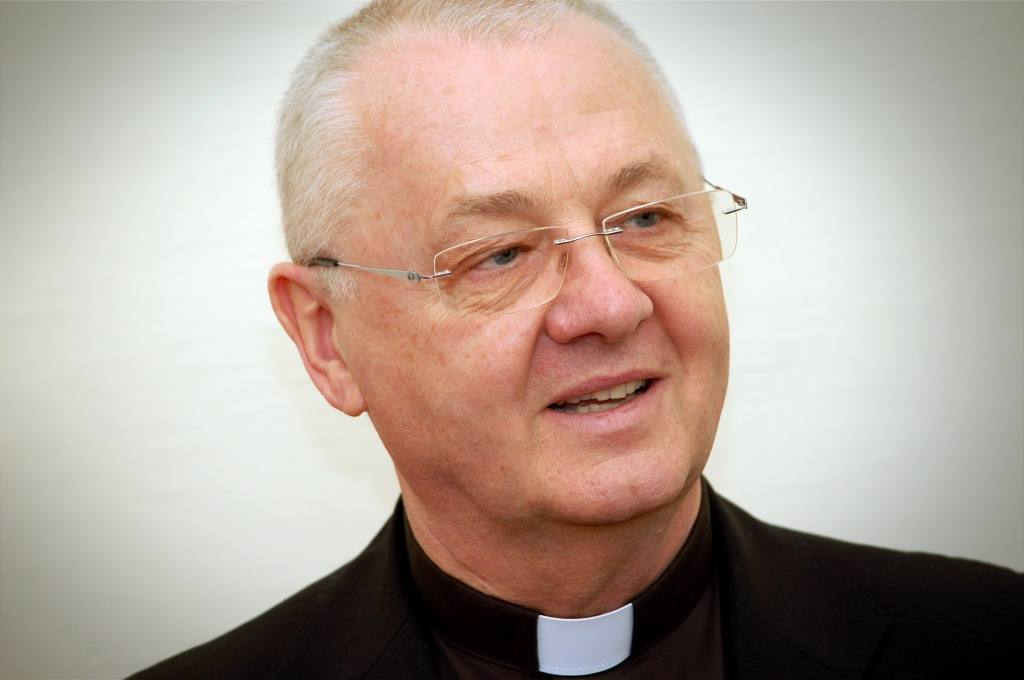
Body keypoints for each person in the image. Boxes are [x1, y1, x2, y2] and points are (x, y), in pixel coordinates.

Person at [130, 0, 1022, 677]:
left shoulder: (986, 636)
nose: (610, 304)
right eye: (499, 254)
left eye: (644, 218)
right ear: (327, 338)